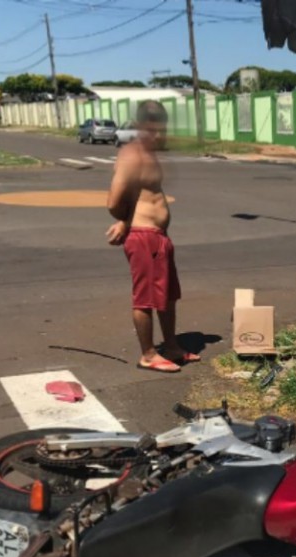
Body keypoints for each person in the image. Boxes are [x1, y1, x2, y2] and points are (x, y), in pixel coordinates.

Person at [107, 100, 199, 373]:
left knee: (168, 296)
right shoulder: (131, 155)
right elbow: (114, 201)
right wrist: (126, 221)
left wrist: (126, 221)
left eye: (162, 130)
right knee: (145, 299)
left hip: (159, 238)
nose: (158, 136)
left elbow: (138, 192)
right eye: (151, 130)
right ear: (139, 126)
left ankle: (171, 346)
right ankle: (148, 354)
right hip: (144, 237)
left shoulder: (149, 154)